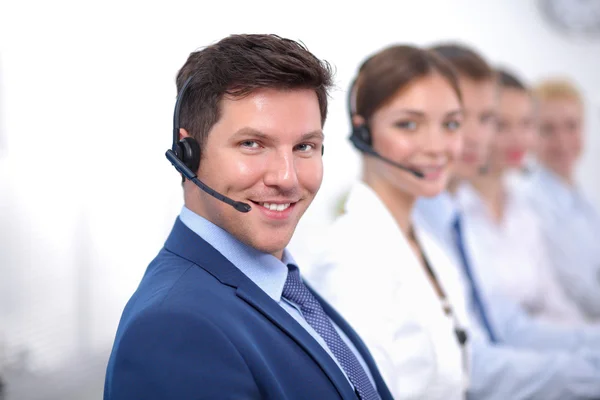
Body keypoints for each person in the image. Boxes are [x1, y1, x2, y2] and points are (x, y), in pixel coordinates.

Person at [103, 34, 393, 400]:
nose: (286, 178)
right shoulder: (174, 327)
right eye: (252, 144)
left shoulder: (282, 286)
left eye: (304, 147)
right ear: (187, 153)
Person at [414, 43, 600, 400]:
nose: (473, 135)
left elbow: (514, 322)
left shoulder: (467, 215)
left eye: (484, 120)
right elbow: (477, 361)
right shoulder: (443, 219)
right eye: (458, 119)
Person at [307, 44, 471, 400]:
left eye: (451, 124)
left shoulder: (426, 241)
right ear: (363, 132)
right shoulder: (351, 259)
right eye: (408, 124)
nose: (436, 145)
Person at [454, 68, 586, 325]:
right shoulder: (455, 209)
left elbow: (555, 304)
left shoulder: (523, 209)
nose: (518, 139)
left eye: (526, 124)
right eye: (502, 125)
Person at [526, 78, 600, 321]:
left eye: (571, 126)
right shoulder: (530, 203)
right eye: (548, 129)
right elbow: (580, 291)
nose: (563, 141)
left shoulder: (585, 201)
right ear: (531, 134)